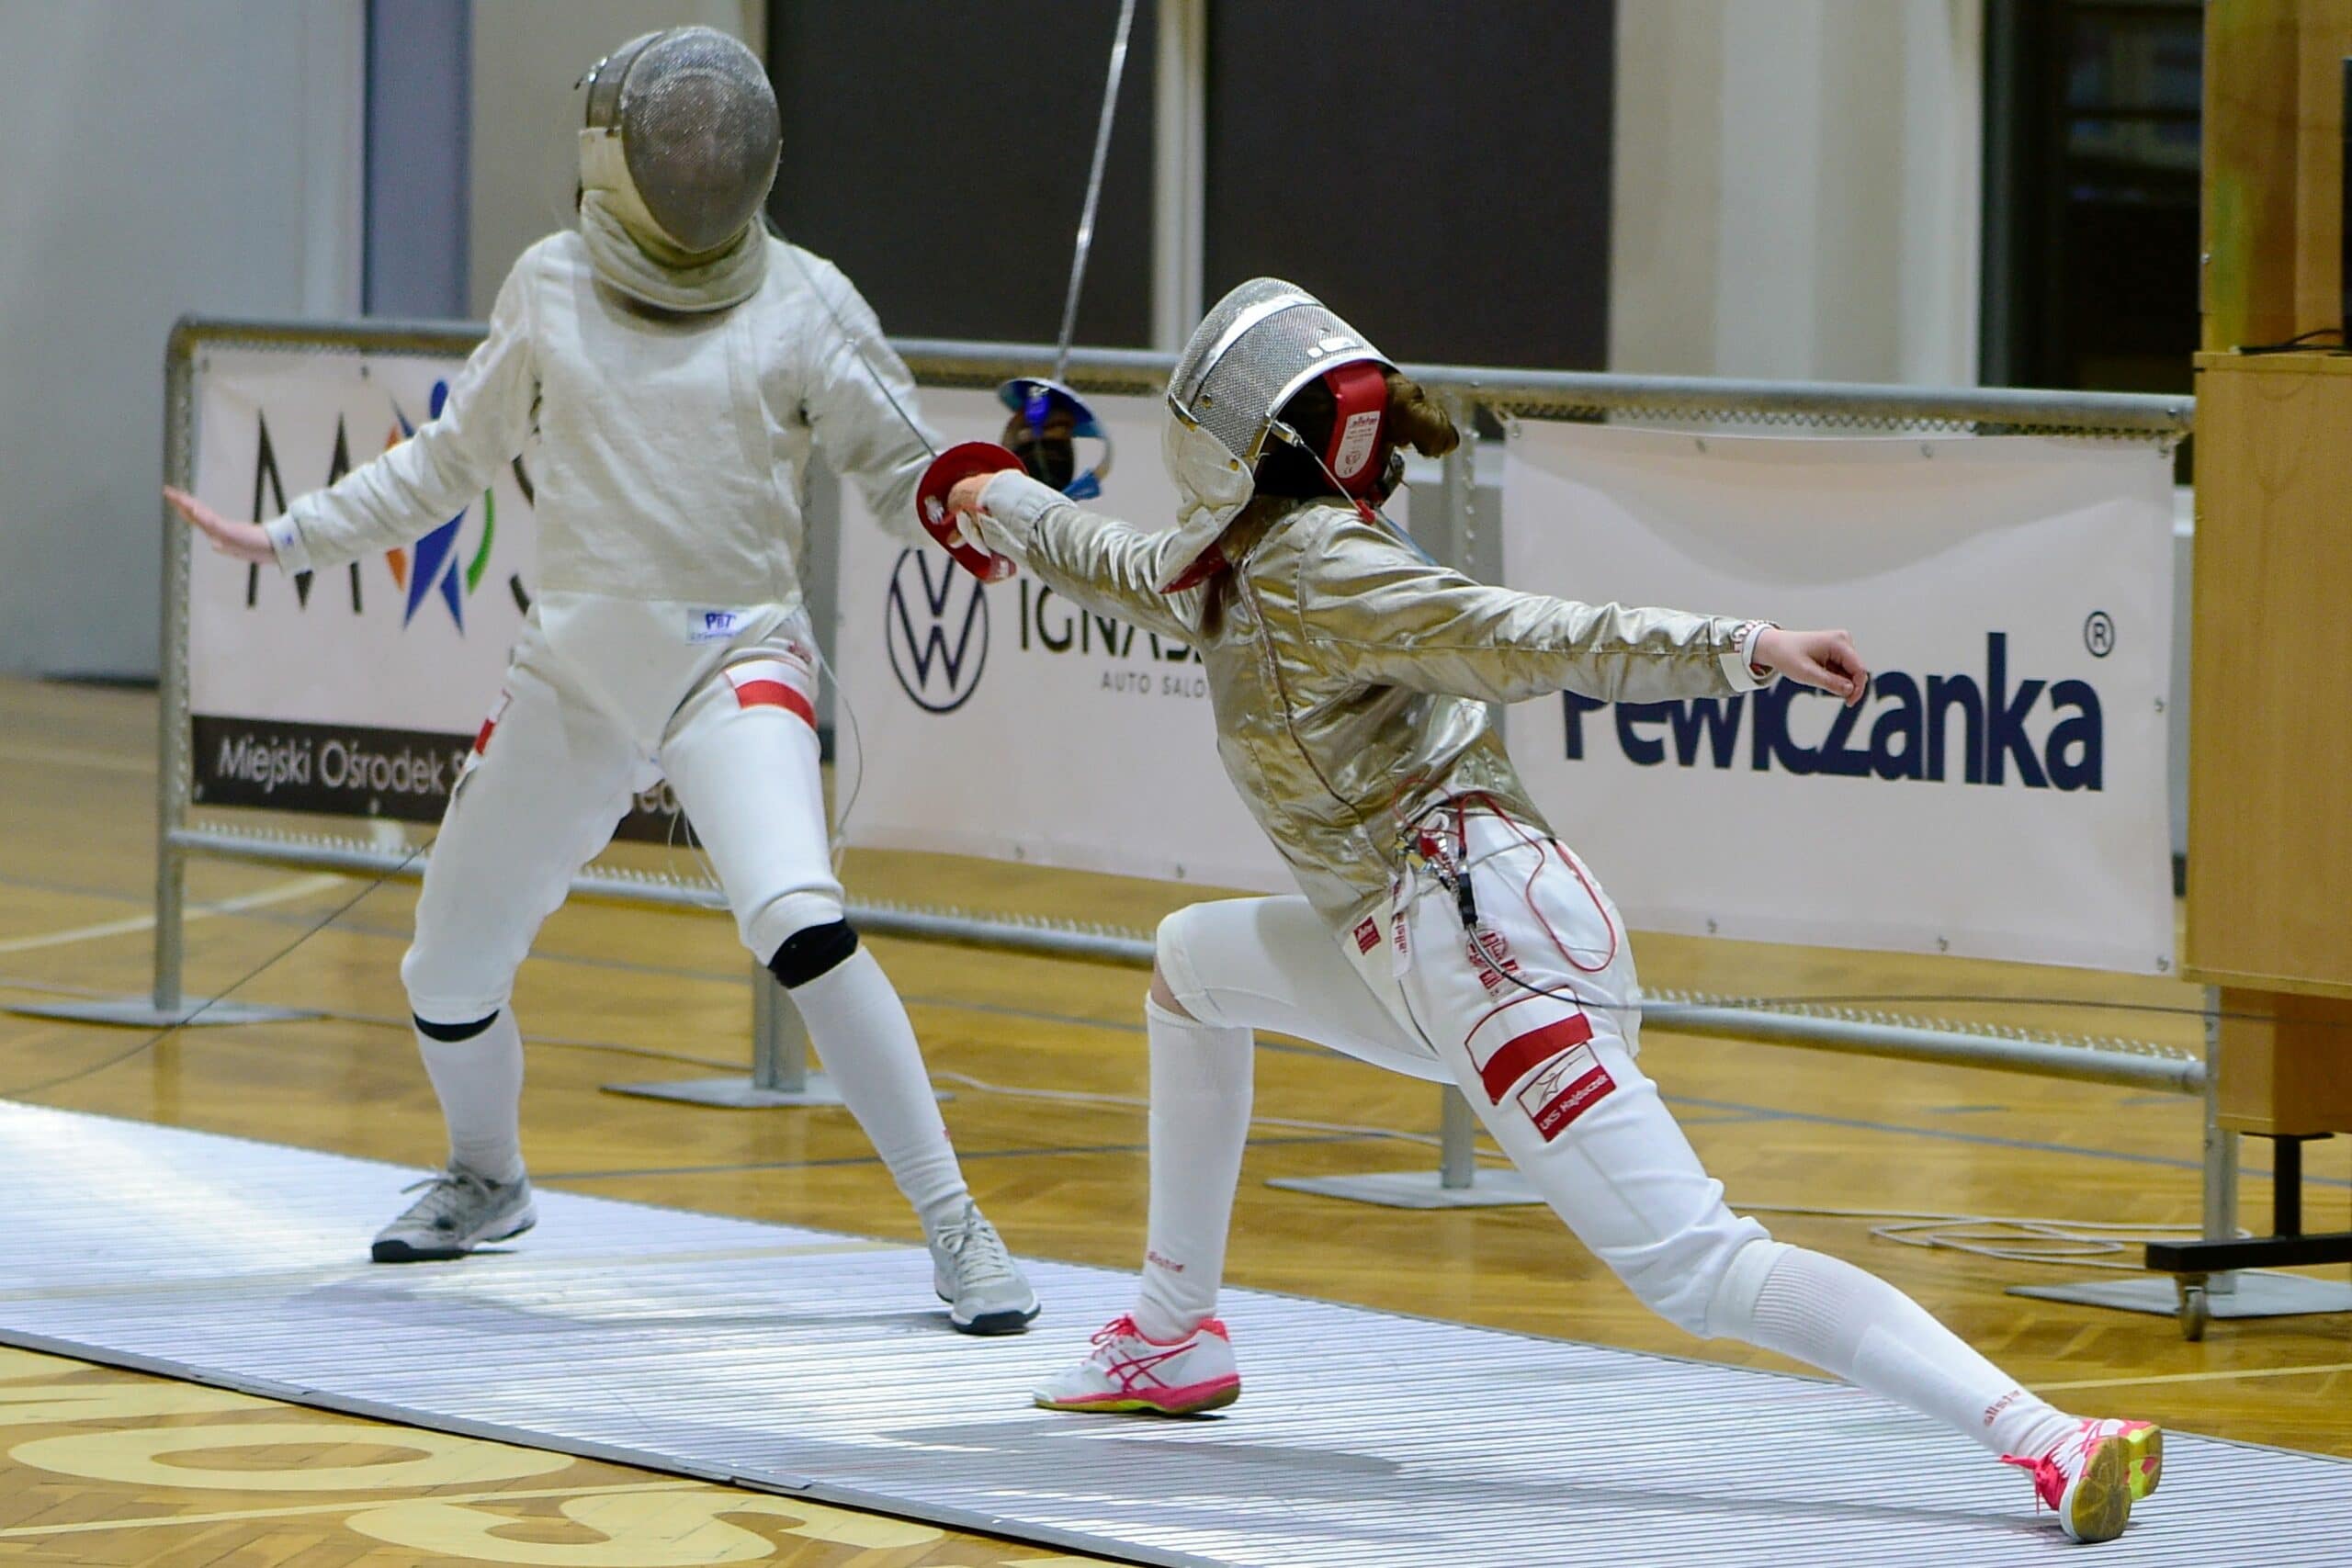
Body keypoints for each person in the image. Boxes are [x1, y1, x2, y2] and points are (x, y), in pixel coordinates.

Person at [941, 278, 2161, 1539]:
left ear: (1230, 435)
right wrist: (993, 496)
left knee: (1702, 1269)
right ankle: (1171, 1334)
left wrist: (1744, 646)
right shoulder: (1232, 566)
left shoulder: (1328, 569)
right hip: (1412, 945)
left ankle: (2050, 1441)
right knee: (1191, 965)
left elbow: (1533, 634)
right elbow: (1123, 560)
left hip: (1485, 951)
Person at [167, 26, 1037, 1336]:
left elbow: (908, 473)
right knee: (444, 972)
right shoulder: (551, 287)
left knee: (799, 918)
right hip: (572, 670)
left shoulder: (805, 301)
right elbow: (449, 462)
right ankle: (487, 1177)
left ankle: (958, 1226)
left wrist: (992, 509)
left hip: (734, 659)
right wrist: (290, 534)